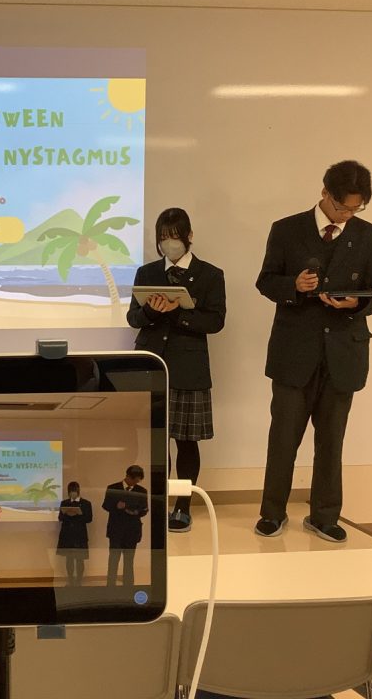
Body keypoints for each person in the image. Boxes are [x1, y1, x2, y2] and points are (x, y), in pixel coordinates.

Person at [254, 161, 372, 543]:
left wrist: (356, 304)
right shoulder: (286, 229)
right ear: (325, 193)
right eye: (342, 207)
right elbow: (265, 281)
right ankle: (272, 513)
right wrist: (294, 286)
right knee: (283, 439)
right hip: (294, 353)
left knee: (332, 442)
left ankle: (324, 516)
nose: (347, 215)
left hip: (343, 354)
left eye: (355, 209)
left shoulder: (371, 237)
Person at [127, 208, 226, 533]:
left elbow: (216, 321)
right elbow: (133, 318)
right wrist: (152, 312)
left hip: (188, 368)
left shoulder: (210, 275)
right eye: (164, 237)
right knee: (156, 441)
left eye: (175, 236)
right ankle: (158, 503)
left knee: (186, 441)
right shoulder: (147, 272)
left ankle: (182, 506)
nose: (169, 243)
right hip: (152, 364)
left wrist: (179, 312)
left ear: (189, 236)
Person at [103, 465, 148, 588]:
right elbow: (105, 505)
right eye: (135, 480)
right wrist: (116, 506)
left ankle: (128, 587)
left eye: (138, 481)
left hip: (132, 531)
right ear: (128, 477)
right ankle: (110, 586)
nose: (136, 483)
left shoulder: (142, 491)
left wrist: (135, 511)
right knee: (113, 560)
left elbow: (144, 509)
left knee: (129, 561)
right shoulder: (113, 488)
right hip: (116, 530)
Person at [56, 481, 93, 586]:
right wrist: (68, 514)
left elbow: (89, 518)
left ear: (78, 491)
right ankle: (71, 580)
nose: (73, 493)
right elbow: (60, 517)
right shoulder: (64, 503)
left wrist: (77, 514)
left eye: (74, 491)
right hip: (67, 535)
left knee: (80, 559)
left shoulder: (86, 503)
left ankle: (79, 581)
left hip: (80, 535)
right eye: (71, 491)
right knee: (69, 559)